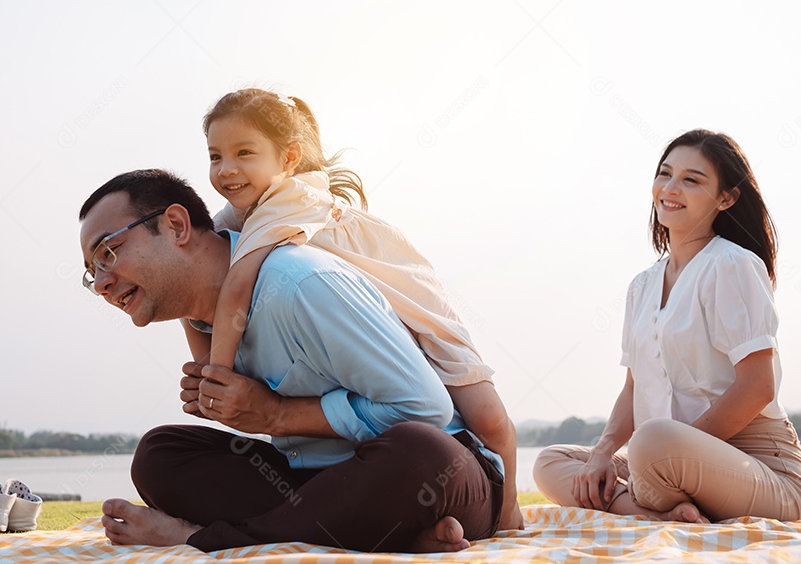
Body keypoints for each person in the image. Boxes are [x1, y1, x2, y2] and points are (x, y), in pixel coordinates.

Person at [78, 169, 503, 552]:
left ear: (175, 225)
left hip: (444, 476)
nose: (101, 282)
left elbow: (425, 411)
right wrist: (233, 407)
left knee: (418, 451)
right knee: (160, 454)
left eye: (108, 252)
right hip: (317, 483)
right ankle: (384, 534)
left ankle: (199, 538)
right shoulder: (201, 322)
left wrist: (276, 415)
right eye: (90, 270)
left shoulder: (299, 283)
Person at [199, 88, 523, 531]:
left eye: (244, 153)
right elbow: (200, 275)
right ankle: (415, 526)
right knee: (400, 411)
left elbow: (235, 284)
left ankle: (507, 516)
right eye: (216, 156)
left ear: (289, 159)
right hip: (371, 313)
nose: (227, 169)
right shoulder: (238, 216)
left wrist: (218, 374)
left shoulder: (284, 202)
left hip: (409, 298)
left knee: (488, 416)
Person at [533, 129, 801, 523]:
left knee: (651, 442)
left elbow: (758, 387)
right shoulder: (643, 285)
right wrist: (600, 454)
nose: (670, 187)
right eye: (664, 174)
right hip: (670, 457)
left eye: (692, 180)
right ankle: (666, 513)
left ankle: (647, 500)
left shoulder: (731, 265)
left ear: (727, 198)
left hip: (764, 470)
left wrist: (676, 450)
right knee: (551, 461)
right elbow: (633, 388)